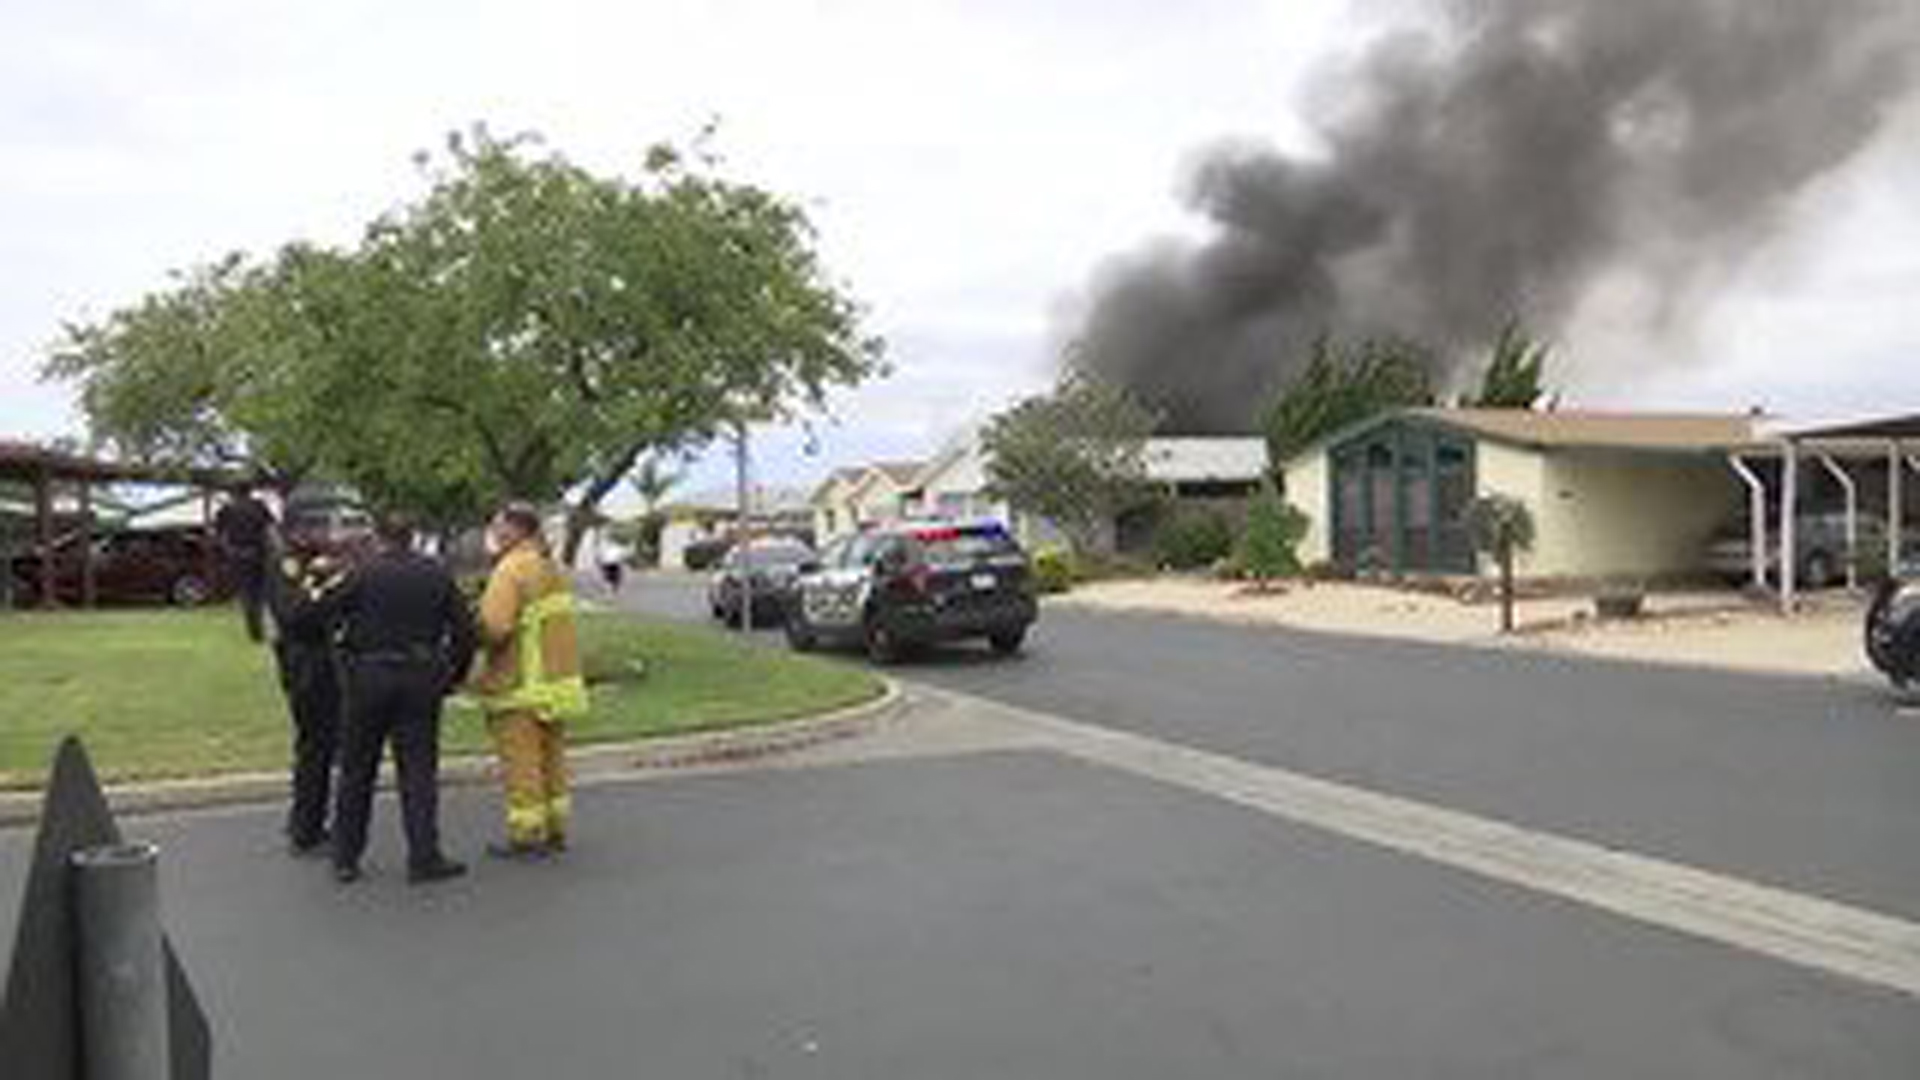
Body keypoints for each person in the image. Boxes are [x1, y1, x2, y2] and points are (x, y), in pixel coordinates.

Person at [323, 513, 476, 885]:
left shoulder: (361, 573)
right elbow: (464, 630)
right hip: (420, 676)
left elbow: (326, 613)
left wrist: (342, 664)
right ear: (413, 537)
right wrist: (454, 675)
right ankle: (424, 857)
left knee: (357, 770)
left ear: (379, 537)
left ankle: (345, 857)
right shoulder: (436, 574)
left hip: (368, 676)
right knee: (418, 771)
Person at [474, 502, 589, 859]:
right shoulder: (550, 566)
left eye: (498, 525)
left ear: (514, 530)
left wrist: (471, 628)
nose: (494, 532)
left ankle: (527, 834)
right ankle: (556, 828)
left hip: (520, 685)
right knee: (552, 761)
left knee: (522, 764)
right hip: (556, 684)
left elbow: (496, 627)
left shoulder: (510, 569)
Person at [266, 523, 348, 857]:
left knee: (323, 747)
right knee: (316, 747)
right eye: (318, 527)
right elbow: (294, 614)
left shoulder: (317, 560)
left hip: (322, 663)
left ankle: (307, 820)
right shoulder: (289, 565)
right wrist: (318, 581)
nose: (326, 534)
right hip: (307, 666)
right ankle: (306, 829)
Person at [214, 484, 276, 642]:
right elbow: (270, 529)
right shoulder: (259, 506)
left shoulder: (227, 510)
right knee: (264, 593)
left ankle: (255, 631)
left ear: (234, 493)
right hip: (260, 554)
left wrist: (229, 550)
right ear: (250, 492)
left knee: (248, 595)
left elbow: (219, 534)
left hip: (238, 555)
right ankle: (267, 627)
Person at [593, 526, 631, 594]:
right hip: (609, 561)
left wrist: (597, 558)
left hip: (610, 561)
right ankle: (611, 588)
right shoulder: (603, 543)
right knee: (611, 576)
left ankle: (612, 588)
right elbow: (599, 552)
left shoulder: (608, 543)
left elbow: (621, 552)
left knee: (612, 576)